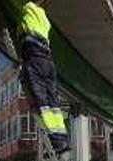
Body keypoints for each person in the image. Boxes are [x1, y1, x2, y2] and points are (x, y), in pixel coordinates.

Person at [11, 0, 69, 153]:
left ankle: (56, 142)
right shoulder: (44, 17)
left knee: (41, 102)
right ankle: (61, 139)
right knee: (53, 103)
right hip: (48, 61)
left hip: (35, 57)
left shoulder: (27, 7)